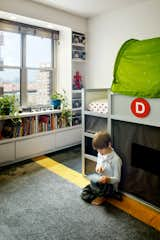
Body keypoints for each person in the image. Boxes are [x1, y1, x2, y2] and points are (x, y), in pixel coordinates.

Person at [81, 131, 122, 205]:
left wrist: (108, 179)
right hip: (100, 183)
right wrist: (98, 168)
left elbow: (117, 179)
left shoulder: (116, 160)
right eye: (97, 150)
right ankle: (100, 196)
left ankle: (101, 196)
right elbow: (98, 166)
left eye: (101, 149)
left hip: (109, 186)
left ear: (109, 144)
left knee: (98, 187)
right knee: (84, 191)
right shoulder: (100, 154)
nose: (100, 152)